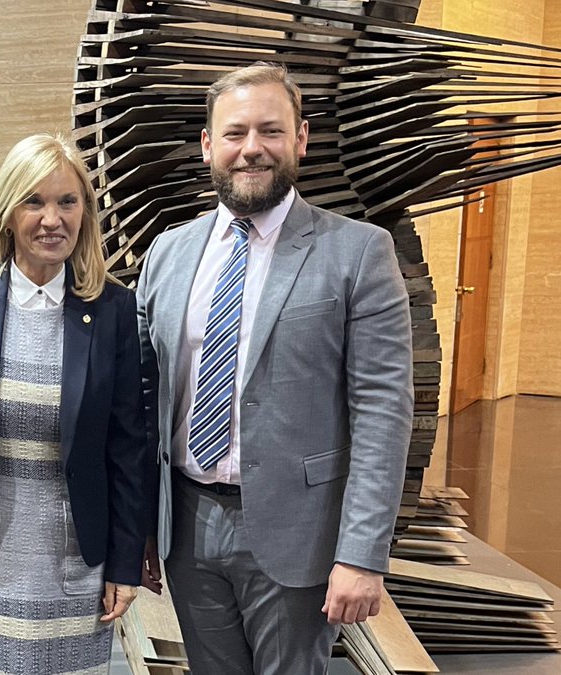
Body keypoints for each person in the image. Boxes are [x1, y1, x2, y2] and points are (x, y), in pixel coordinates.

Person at [136, 62, 413, 674]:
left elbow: (383, 415)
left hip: (300, 534)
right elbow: (144, 399)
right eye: (234, 133)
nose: (251, 149)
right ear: (208, 144)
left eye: (271, 131)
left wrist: (362, 554)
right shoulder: (168, 253)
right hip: (185, 524)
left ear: (302, 139)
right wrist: (140, 527)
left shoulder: (357, 252)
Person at [0, 133, 148, 673]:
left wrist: (125, 563)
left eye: (67, 202)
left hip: (74, 564)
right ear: (8, 212)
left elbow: (127, 447)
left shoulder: (114, 310)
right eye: (34, 200)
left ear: (85, 214)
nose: (52, 218)